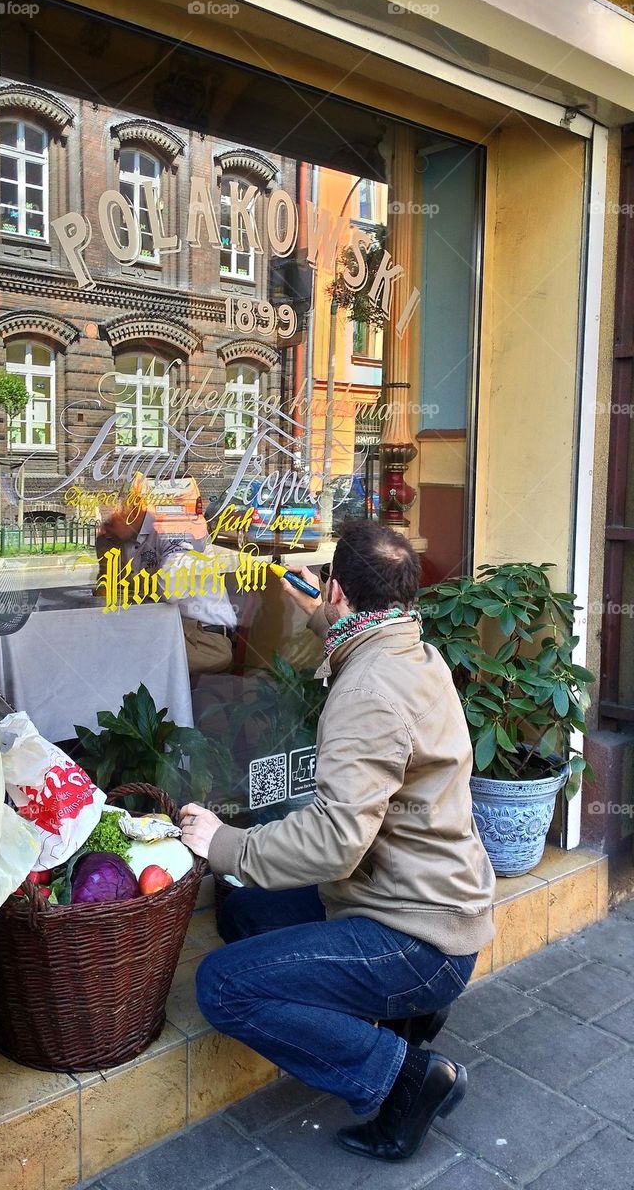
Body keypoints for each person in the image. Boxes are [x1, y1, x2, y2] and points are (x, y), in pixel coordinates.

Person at [180, 519, 496, 1162]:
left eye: (329, 586)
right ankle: (405, 1020)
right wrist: (325, 616)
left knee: (222, 986)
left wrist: (224, 844)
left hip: (417, 937)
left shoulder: (367, 691)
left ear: (338, 591)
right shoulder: (409, 648)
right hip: (425, 905)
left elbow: (333, 843)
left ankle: (402, 1075)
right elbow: (361, 640)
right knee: (247, 908)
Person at [96, 491, 236, 674]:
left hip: (205, 638)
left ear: (133, 509)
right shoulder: (128, 540)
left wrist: (138, 586)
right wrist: (108, 544)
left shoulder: (173, 528)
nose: (106, 524)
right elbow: (113, 588)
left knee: (123, 660)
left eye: (112, 515)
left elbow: (171, 591)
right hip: (166, 630)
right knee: (105, 648)